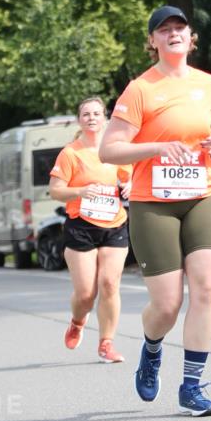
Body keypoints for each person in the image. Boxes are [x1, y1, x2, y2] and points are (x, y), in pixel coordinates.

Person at [99, 5, 211, 416]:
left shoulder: (209, 85)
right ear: (153, 41)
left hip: (204, 194)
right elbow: (110, 149)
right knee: (166, 305)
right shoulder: (141, 89)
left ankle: (192, 388)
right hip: (153, 204)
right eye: (164, 29)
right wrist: (158, 148)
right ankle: (152, 348)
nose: (173, 33)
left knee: (206, 289)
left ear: (191, 36)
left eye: (180, 27)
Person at [49, 96, 132, 363]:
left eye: (97, 113)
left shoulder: (117, 151)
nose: (92, 118)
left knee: (109, 283)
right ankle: (77, 320)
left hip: (115, 223)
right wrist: (81, 191)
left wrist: (131, 187)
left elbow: (131, 180)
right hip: (81, 226)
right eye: (86, 114)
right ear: (79, 120)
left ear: (105, 118)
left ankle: (106, 344)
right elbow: (55, 191)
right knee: (86, 294)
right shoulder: (71, 153)